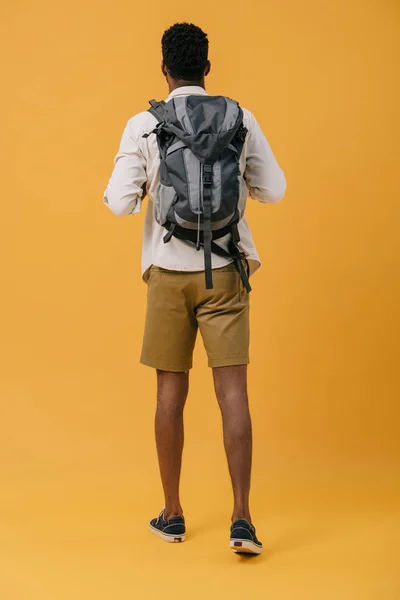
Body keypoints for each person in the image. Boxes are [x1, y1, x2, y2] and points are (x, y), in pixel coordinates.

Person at [103, 22, 286, 555]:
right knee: (233, 393)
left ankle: (173, 514)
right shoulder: (239, 118)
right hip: (227, 269)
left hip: (166, 270)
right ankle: (243, 520)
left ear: (164, 69)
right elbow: (274, 189)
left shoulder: (144, 123)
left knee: (169, 393)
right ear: (207, 68)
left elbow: (119, 203)